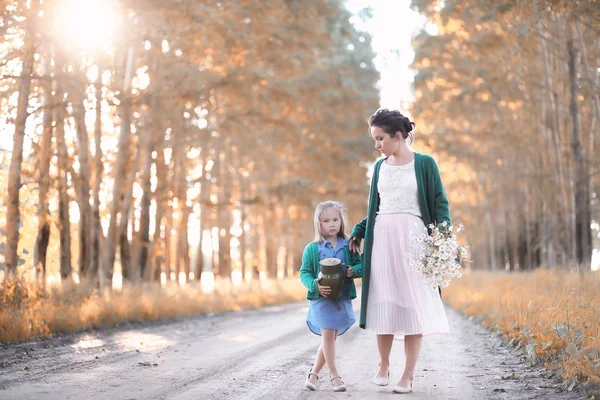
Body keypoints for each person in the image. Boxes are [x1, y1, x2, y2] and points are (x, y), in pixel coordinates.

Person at [349, 108, 450, 394]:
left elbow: (440, 203)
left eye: (380, 139)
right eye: (375, 140)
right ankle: (383, 364)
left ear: (397, 136)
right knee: (383, 300)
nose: (377, 145)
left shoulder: (426, 164)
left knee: (412, 303)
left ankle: (407, 375)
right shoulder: (379, 168)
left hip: (413, 239)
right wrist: (359, 229)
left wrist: (442, 237)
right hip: (382, 237)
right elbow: (377, 207)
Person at [299, 201, 362, 392]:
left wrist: (353, 271)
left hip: (340, 299)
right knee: (328, 335)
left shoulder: (349, 246)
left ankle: (314, 374)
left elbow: (361, 265)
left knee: (331, 338)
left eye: (335, 219)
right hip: (322, 298)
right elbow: (305, 273)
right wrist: (314, 286)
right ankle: (334, 376)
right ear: (319, 223)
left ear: (341, 221)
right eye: (326, 220)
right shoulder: (313, 248)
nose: (332, 224)